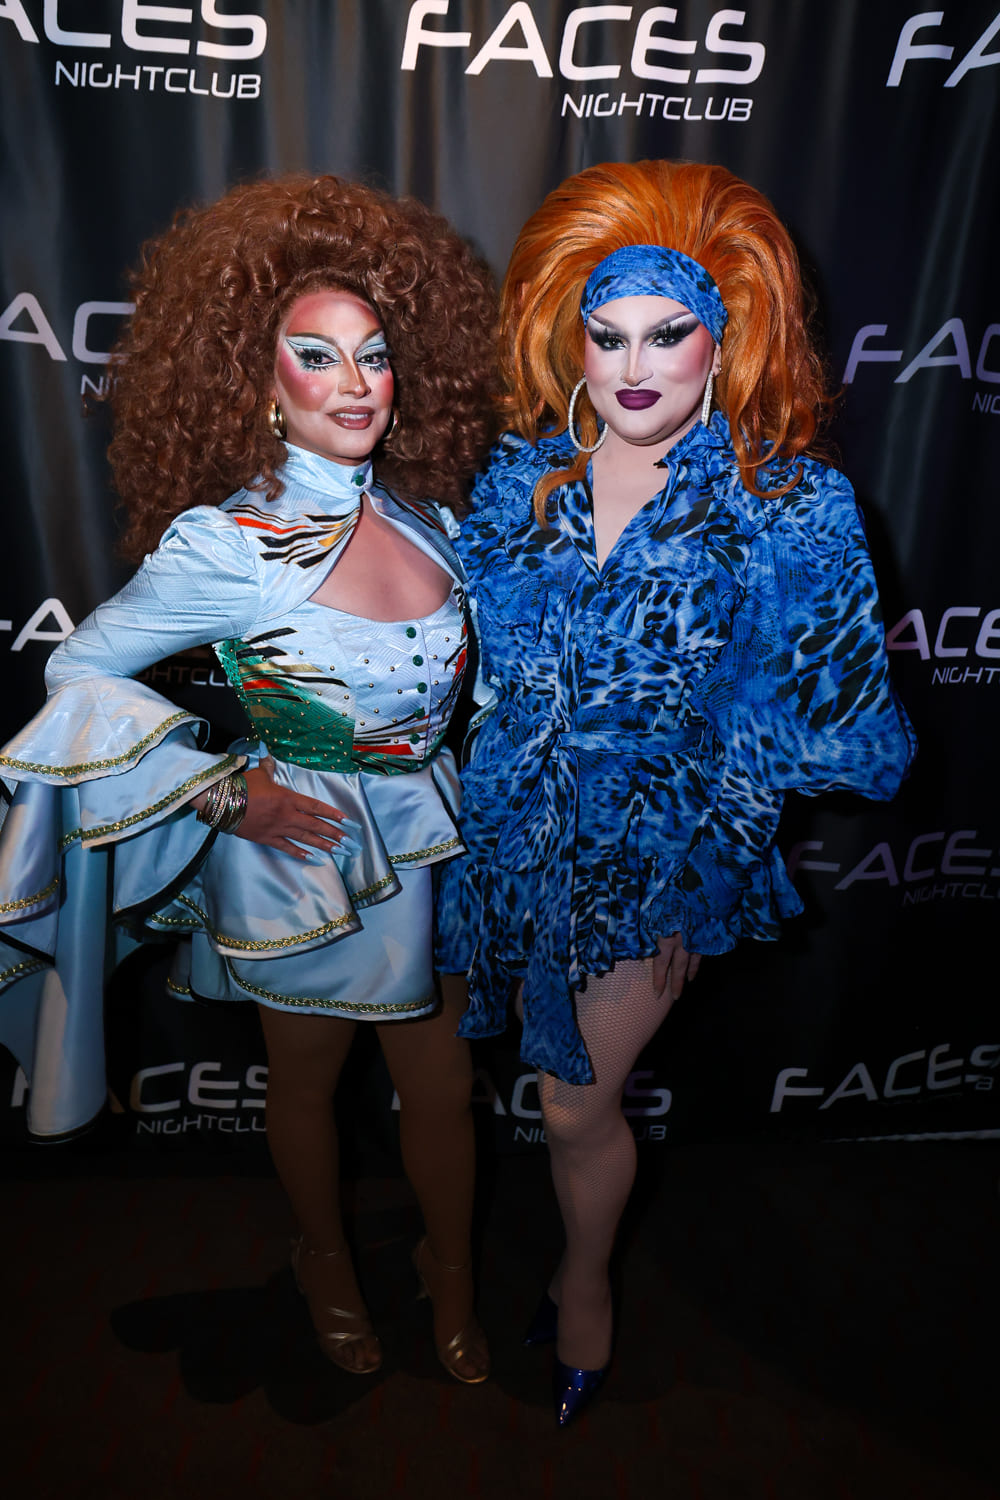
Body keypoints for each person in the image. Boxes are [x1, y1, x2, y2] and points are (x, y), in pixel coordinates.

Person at [435, 159, 916, 1423]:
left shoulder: (787, 506)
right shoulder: (517, 483)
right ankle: (567, 1263)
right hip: (513, 838)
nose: (634, 366)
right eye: (608, 336)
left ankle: (584, 1287)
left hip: (656, 856)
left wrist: (707, 865)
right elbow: (460, 662)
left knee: (572, 1104)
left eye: (667, 334)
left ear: (725, 337)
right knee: (543, 1095)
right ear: (573, 340)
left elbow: (812, 722)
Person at [0, 174, 497, 1383]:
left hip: (429, 839)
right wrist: (222, 792)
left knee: (441, 1084)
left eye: (374, 356)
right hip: (303, 855)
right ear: (261, 383)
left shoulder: (431, 522)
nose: (354, 383)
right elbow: (77, 670)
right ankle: (323, 1262)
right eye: (315, 357)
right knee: (310, 1083)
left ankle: (450, 1275)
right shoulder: (227, 544)